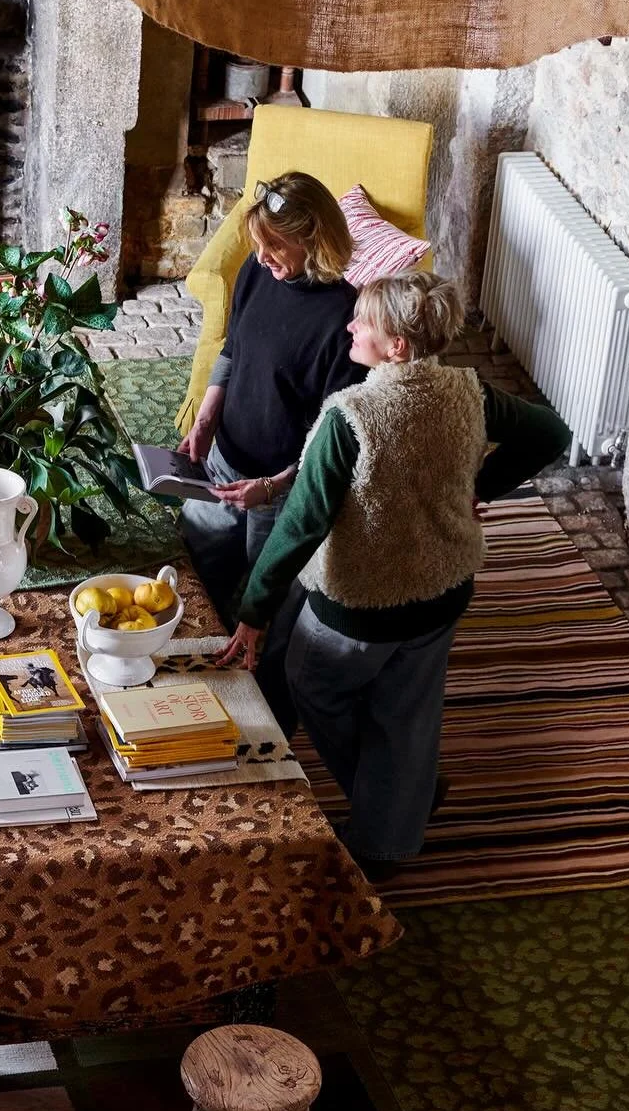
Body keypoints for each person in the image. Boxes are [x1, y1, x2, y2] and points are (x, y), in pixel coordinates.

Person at [216, 270, 570, 878]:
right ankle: (409, 795)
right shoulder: (468, 391)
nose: (349, 325)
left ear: (397, 346)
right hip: (444, 589)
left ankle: (385, 833)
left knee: (313, 684)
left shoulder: (349, 419)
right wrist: (476, 489)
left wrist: (253, 613)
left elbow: (300, 526)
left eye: (363, 320)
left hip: (362, 603)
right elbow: (550, 432)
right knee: (407, 708)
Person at [178, 173, 364, 632]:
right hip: (221, 462)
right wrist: (206, 416)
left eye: (276, 245)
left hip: (278, 492)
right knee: (195, 579)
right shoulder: (256, 272)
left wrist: (276, 486)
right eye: (259, 243)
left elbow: (333, 438)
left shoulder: (347, 321)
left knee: (271, 611)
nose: (262, 256)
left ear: (314, 239)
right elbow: (232, 347)